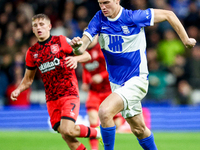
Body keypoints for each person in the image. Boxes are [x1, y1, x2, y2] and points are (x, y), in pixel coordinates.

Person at [70, 0, 196, 150]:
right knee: (139, 129)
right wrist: (78, 47)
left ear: (117, 0)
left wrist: (186, 39)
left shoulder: (133, 17)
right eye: (100, 3)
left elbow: (169, 14)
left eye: (106, 2)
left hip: (137, 79)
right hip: (117, 84)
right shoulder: (99, 18)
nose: (103, 7)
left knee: (104, 112)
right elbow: (84, 44)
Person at [10, 14, 101, 150]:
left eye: (42, 25)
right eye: (35, 26)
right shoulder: (32, 52)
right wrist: (18, 89)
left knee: (68, 130)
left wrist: (75, 59)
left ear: (49, 26)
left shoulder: (61, 41)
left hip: (69, 93)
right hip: (52, 99)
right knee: (66, 135)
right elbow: (28, 79)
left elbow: (86, 55)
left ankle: (97, 133)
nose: (38, 28)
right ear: (33, 30)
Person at [81, 35, 125, 150]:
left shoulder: (103, 49)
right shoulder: (83, 52)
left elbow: (112, 67)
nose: (88, 38)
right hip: (94, 92)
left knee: (117, 123)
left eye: (91, 35)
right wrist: (85, 82)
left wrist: (101, 76)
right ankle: (94, 148)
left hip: (108, 91)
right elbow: (86, 69)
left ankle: (109, 142)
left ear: (96, 36)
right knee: (92, 119)